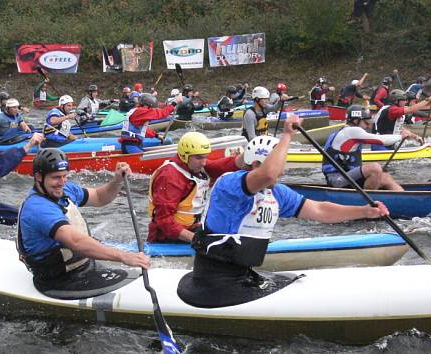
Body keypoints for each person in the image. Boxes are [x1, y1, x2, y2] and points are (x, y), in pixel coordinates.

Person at [177, 116, 390, 308]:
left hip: (242, 275)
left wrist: (363, 211)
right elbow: (268, 174)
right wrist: (287, 135)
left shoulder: (276, 192)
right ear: (257, 164)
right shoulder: (229, 184)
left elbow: (319, 209)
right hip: (212, 283)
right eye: (279, 165)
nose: (282, 171)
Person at [16, 148, 150, 299]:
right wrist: (124, 257)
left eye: (64, 176)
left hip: (81, 267)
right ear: (39, 177)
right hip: (58, 279)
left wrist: (117, 180)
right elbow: (76, 242)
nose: (61, 182)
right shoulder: (38, 208)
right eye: (55, 177)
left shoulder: (65, 190)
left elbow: (100, 197)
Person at [147, 132, 245, 243]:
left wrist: (248, 155)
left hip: (191, 228)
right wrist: (197, 240)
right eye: (199, 158)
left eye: (205, 157)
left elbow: (222, 166)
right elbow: (163, 220)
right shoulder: (169, 176)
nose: (204, 163)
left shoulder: (194, 165)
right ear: (184, 156)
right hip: (167, 237)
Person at [323, 104, 422, 191]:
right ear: (356, 120)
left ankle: (404, 199)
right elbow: (380, 141)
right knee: (375, 168)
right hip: (337, 180)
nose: (367, 126)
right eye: (366, 122)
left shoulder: (347, 132)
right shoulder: (351, 131)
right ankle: (369, 203)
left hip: (348, 177)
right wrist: (401, 136)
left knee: (385, 177)